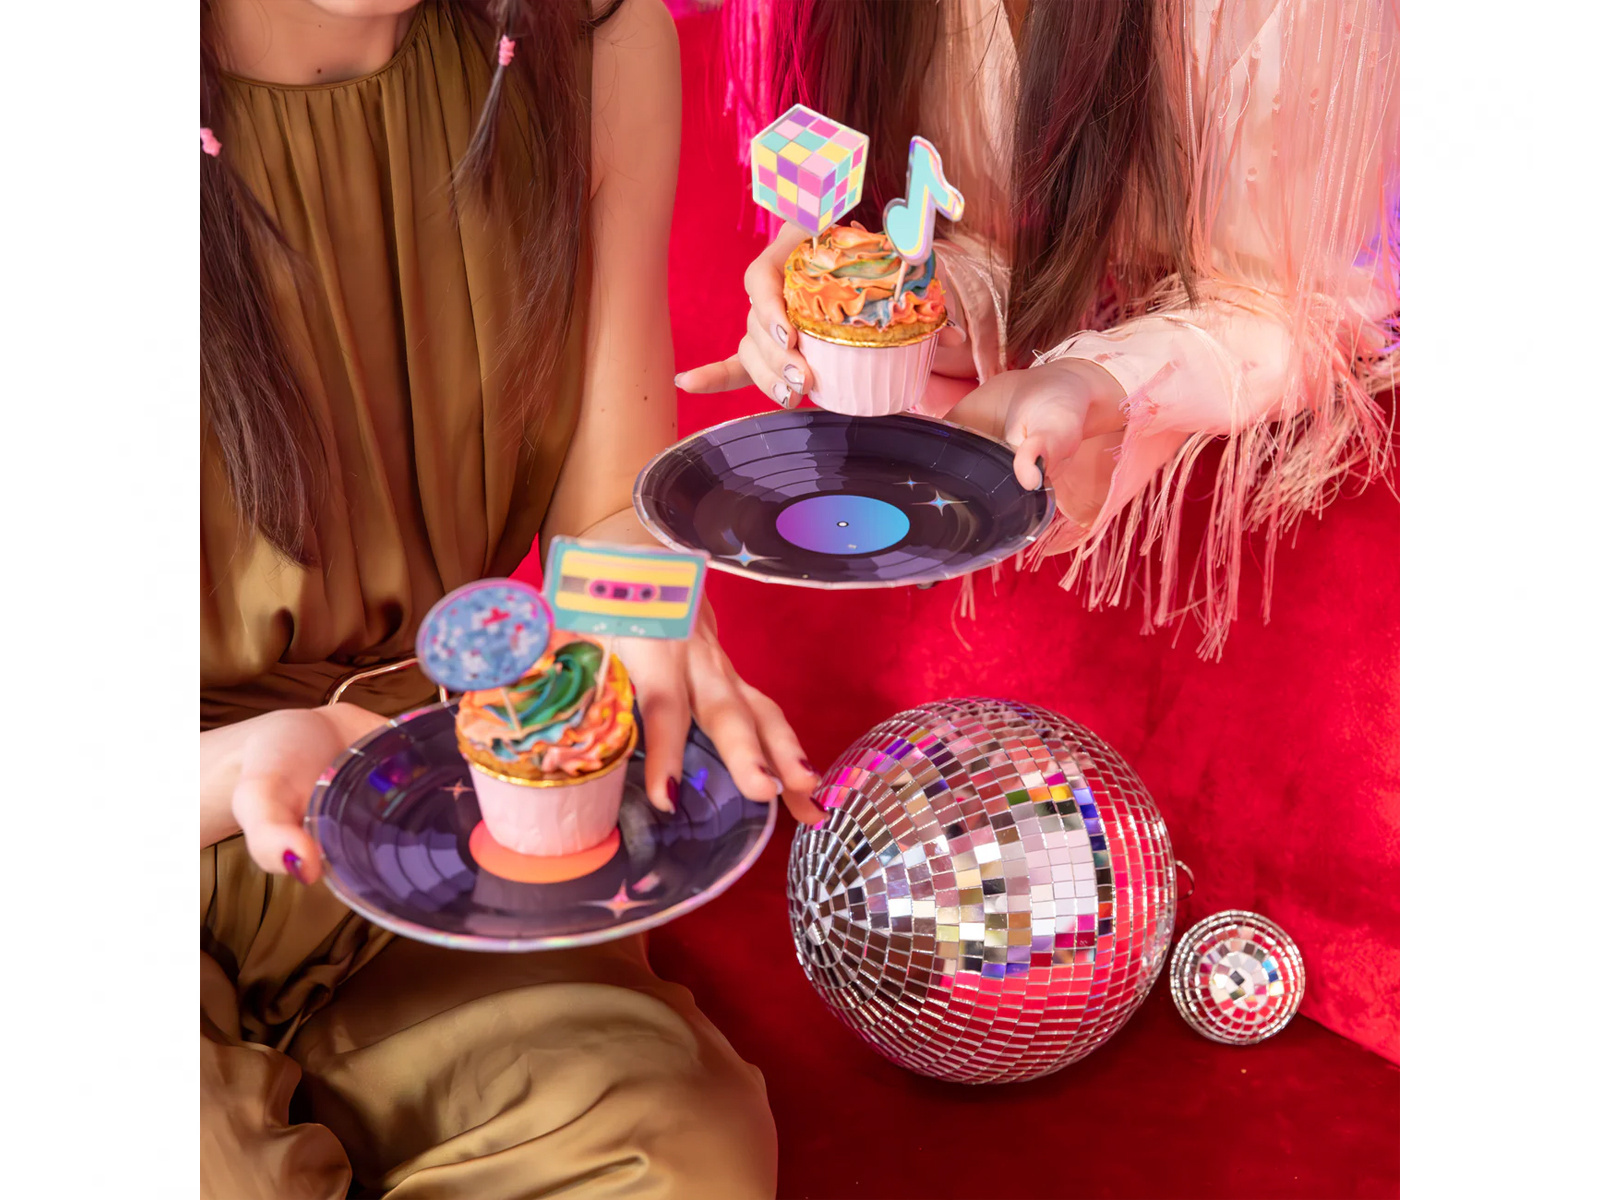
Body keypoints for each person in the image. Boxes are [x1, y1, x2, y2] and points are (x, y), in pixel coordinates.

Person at [199, 1, 819, 1195]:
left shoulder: (588, 35)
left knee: (674, 1152)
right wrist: (231, 768)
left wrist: (638, 617)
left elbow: (607, 515)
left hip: (422, 820)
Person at [680, 0, 1400, 658]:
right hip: (922, 549)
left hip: (1254, 560)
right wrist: (901, 289)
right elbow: (966, 217)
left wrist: (1095, 379)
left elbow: (1298, 295)